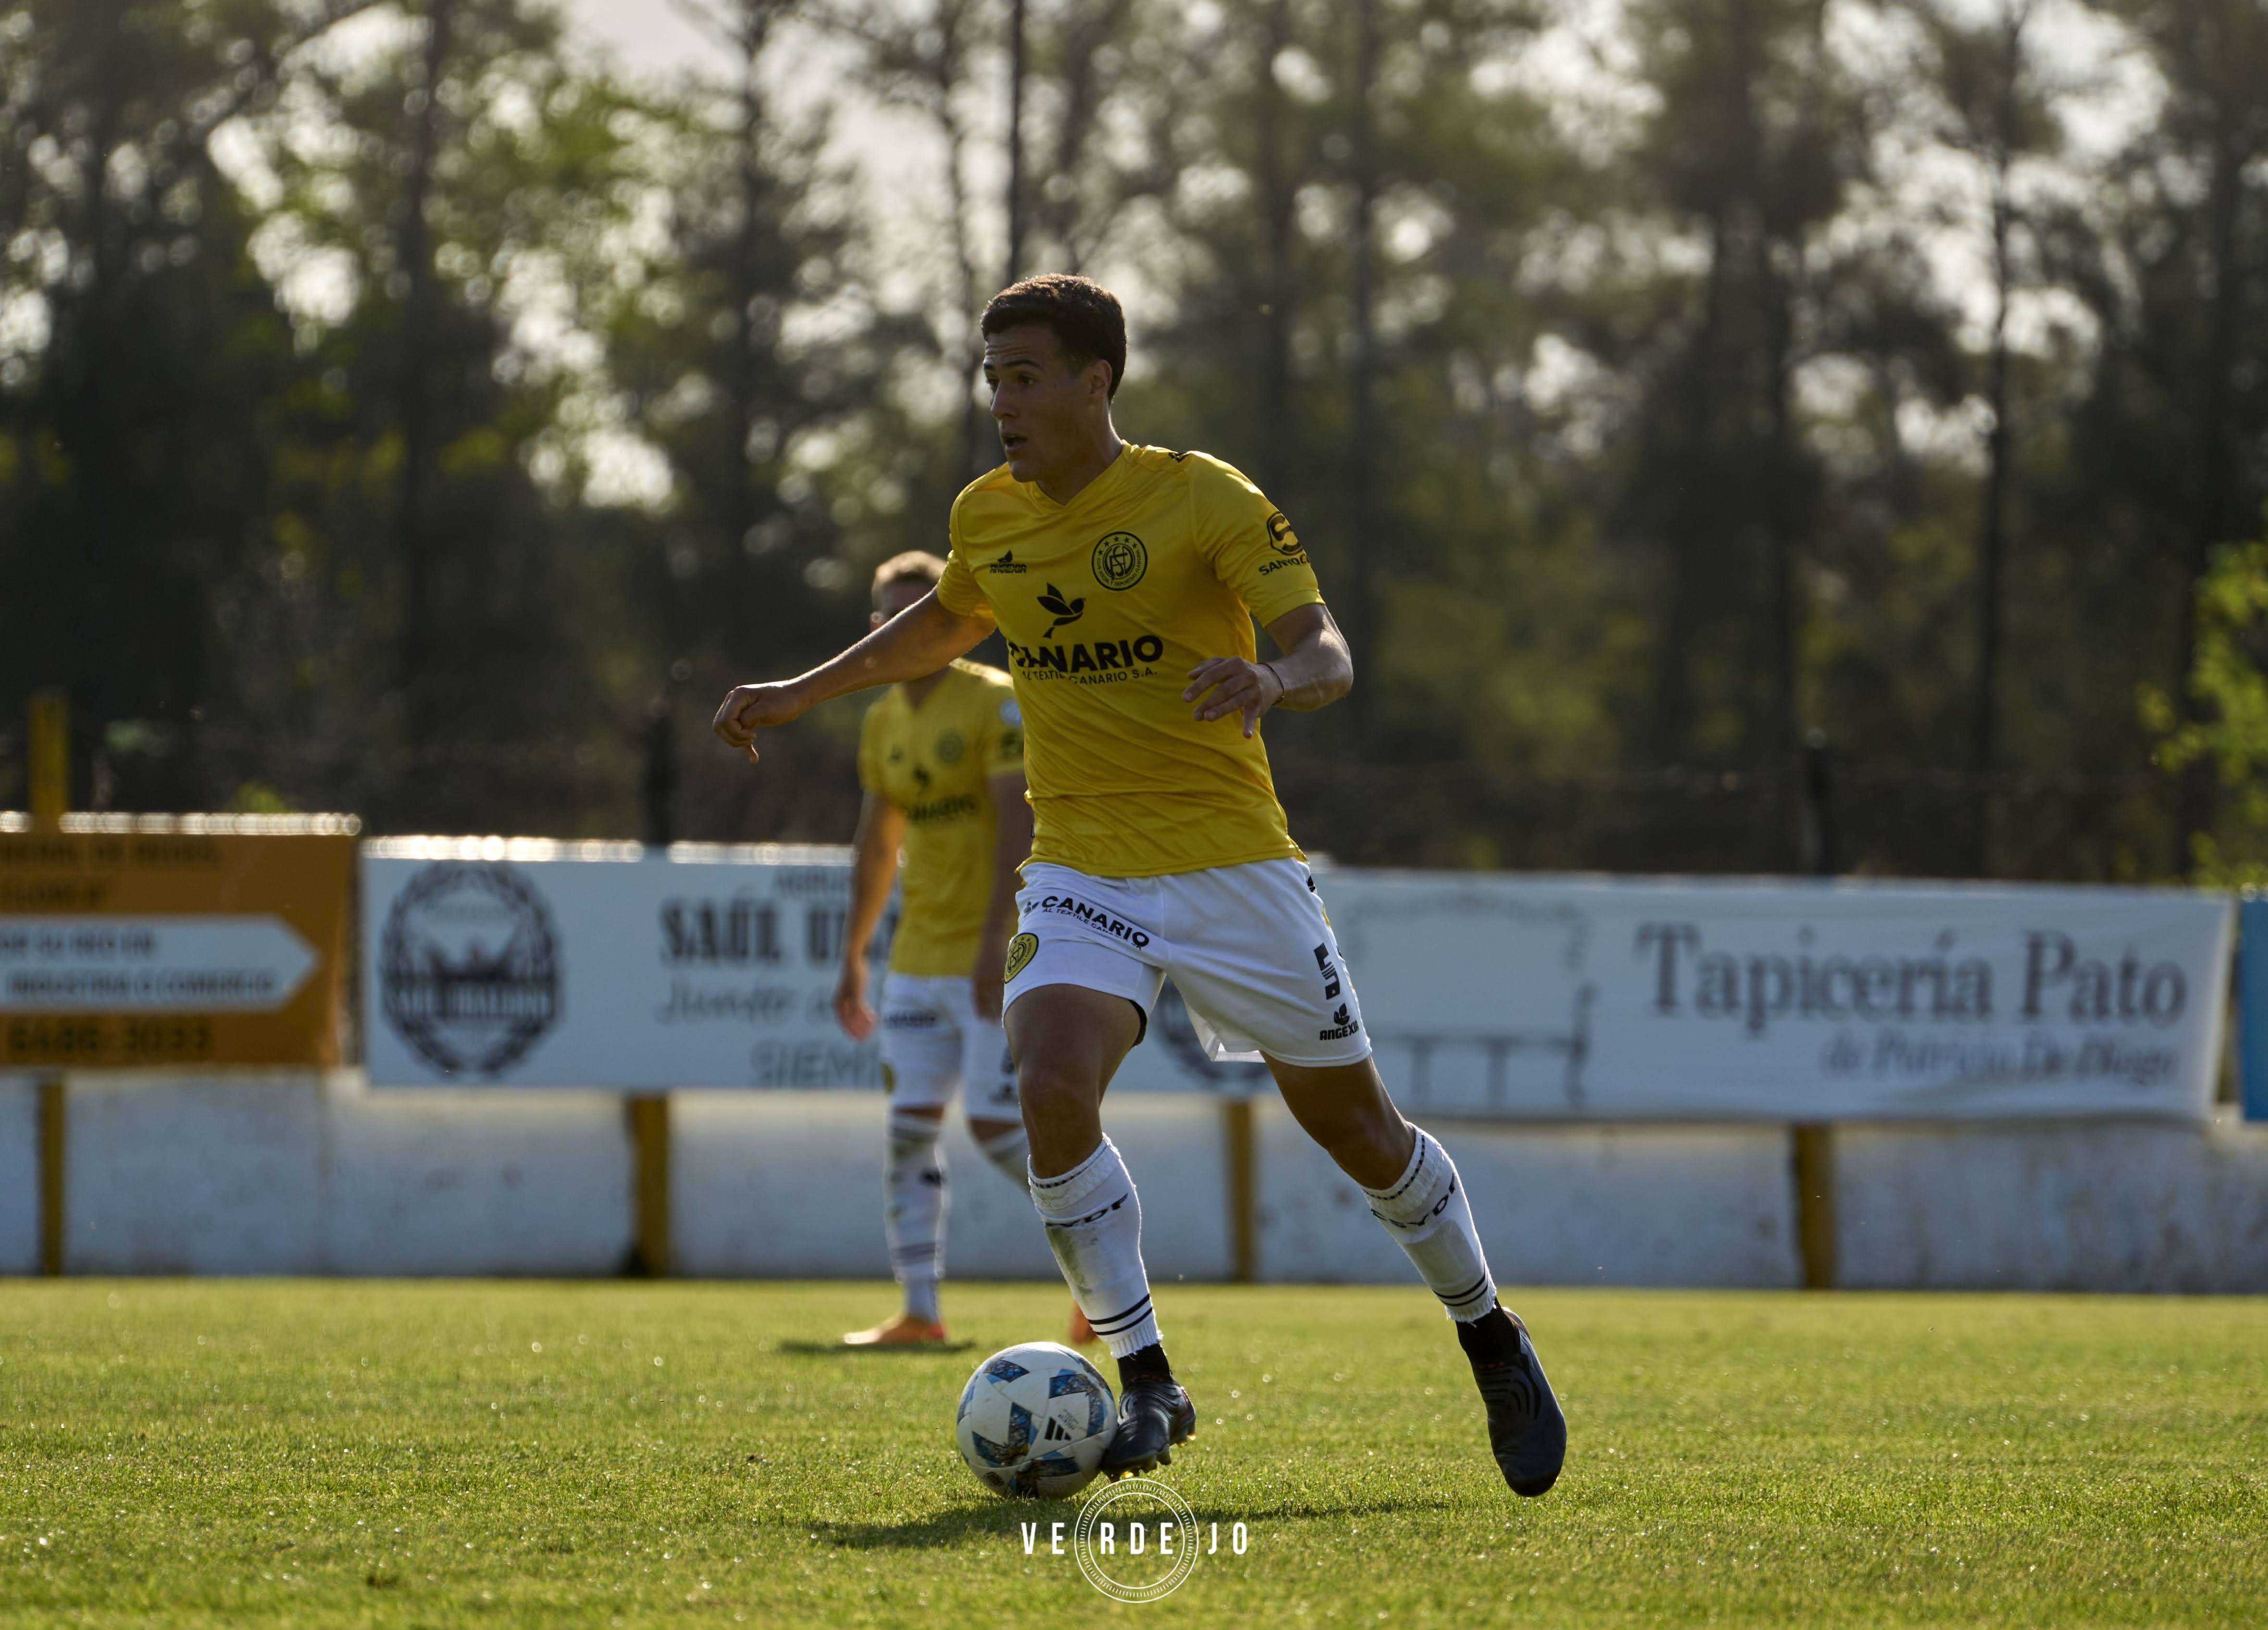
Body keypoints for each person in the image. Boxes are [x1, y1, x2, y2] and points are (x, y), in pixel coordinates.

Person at [717, 274, 1564, 1495]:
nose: (1001, 400)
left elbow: (1323, 648)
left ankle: (1490, 1332)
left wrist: (1272, 684)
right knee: (1050, 1084)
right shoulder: (986, 515)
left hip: (1235, 870)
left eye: (1024, 376)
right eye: (991, 376)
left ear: (1093, 380)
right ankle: (1149, 1374)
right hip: (1080, 868)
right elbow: (939, 629)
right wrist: (797, 692)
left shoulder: (1198, 495)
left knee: (1362, 1135)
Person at [834, 552, 1092, 1349]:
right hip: (914, 961)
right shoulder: (882, 719)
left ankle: (1102, 1273)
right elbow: (877, 844)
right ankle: (920, 1312)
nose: (920, 635)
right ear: (880, 632)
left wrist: (996, 939)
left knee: (995, 1127)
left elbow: (1019, 824)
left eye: (932, 620)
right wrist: (852, 955)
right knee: (909, 1127)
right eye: (901, 621)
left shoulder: (996, 704)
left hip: (995, 956)